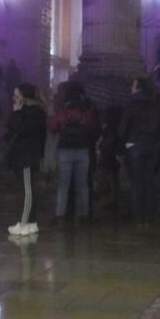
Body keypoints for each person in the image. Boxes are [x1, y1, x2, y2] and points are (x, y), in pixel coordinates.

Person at [120, 76, 160, 227]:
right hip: (153, 147)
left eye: (133, 85)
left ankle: (137, 219)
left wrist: (124, 144)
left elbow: (123, 128)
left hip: (135, 145)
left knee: (136, 183)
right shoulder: (156, 106)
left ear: (138, 87)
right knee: (148, 182)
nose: (131, 88)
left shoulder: (131, 104)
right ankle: (148, 218)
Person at [50, 81, 97, 225]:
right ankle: (84, 215)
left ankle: (60, 215)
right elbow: (92, 128)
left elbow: (53, 128)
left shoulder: (63, 111)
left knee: (63, 185)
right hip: (82, 150)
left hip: (65, 150)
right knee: (82, 184)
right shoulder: (86, 111)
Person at [5, 83, 47, 236]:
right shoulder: (27, 112)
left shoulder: (34, 113)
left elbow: (23, 130)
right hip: (22, 155)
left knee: (27, 191)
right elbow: (10, 129)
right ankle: (31, 222)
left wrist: (17, 113)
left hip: (26, 156)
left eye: (17, 96)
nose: (14, 99)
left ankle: (24, 223)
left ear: (24, 97)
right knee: (27, 189)